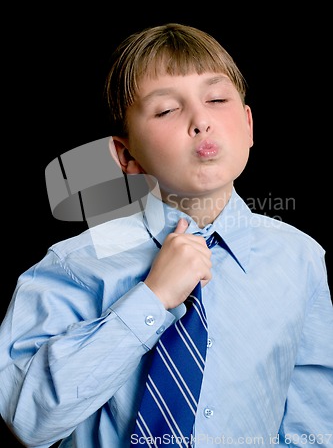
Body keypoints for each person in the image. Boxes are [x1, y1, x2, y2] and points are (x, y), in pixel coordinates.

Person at [0, 23, 332, 448]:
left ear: (249, 126)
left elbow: (314, 426)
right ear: (126, 155)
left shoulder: (299, 258)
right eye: (166, 110)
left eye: (216, 99)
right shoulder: (75, 265)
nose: (201, 121)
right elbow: (30, 421)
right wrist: (151, 299)